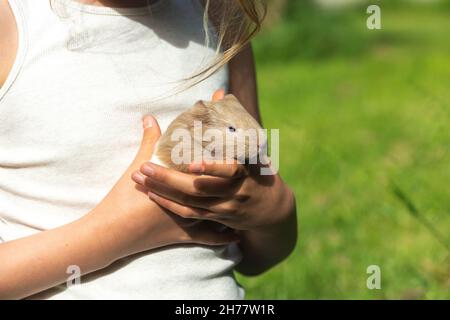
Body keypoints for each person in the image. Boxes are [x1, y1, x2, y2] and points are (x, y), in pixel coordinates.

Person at [0, 0, 297, 299]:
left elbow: (258, 254)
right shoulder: (12, 22)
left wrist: (274, 209)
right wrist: (114, 235)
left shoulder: (218, 16)